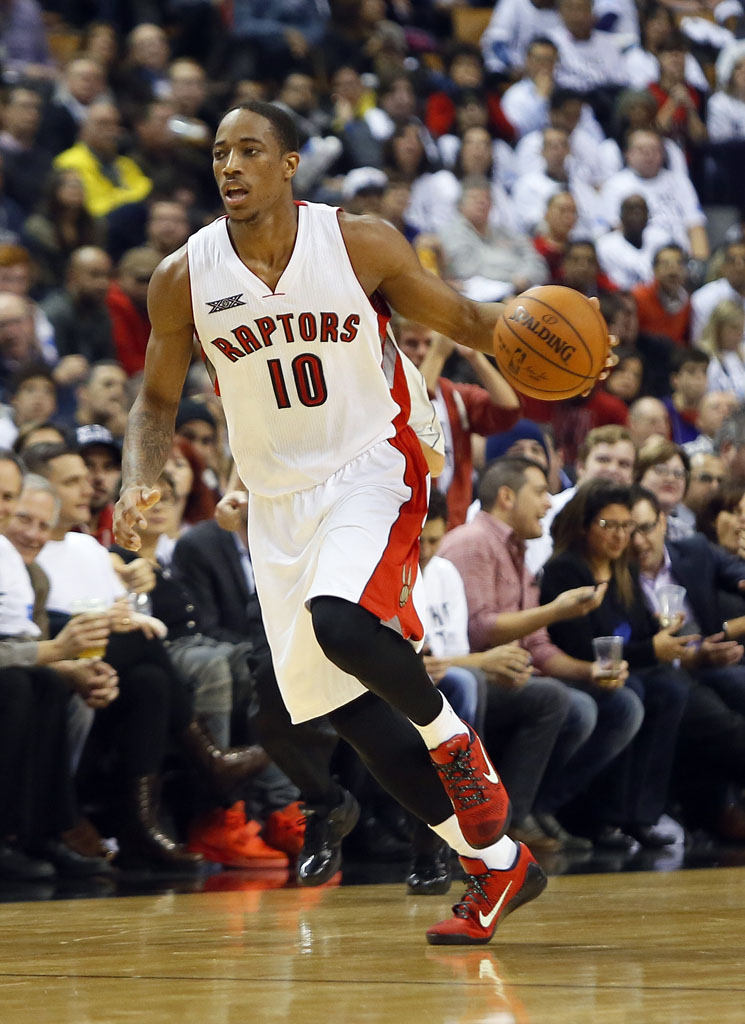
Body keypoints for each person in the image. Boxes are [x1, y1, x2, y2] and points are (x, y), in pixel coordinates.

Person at [112, 101, 613, 945]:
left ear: (290, 164)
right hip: (276, 502)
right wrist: (136, 481)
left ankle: (459, 746)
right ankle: (493, 868)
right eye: (219, 153)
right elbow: (155, 401)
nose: (230, 166)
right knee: (342, 709)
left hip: (370, 463)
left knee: (340, 620)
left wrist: (562, 347)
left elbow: (468, 322)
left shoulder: (358, 242)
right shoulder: (183, 277)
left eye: (249, 151)